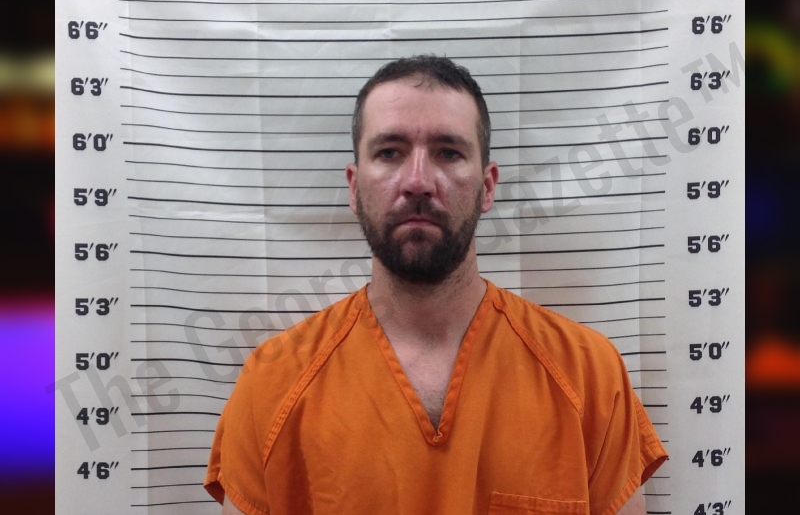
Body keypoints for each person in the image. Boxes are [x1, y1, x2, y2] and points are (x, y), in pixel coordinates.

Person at [205, 55, 668, 515]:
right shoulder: (271, 384)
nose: (418, 181)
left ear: (488, 186)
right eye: (390, 152)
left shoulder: (589, 376)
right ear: (354, 187)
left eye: (448, 152)